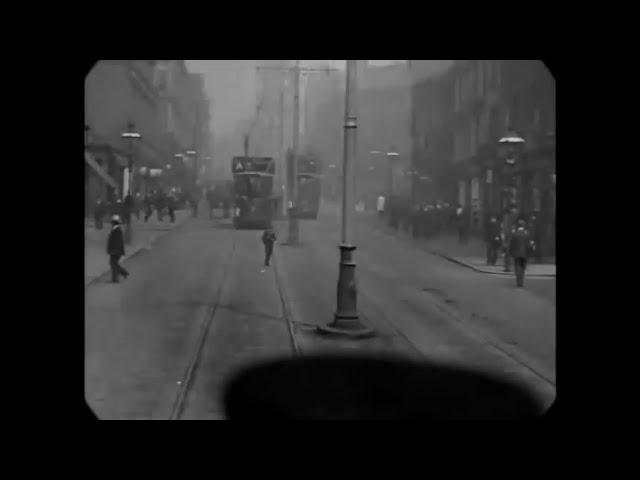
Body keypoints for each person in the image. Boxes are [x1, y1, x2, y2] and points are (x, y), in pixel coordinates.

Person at [509, 218, 535, 288]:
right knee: (523, 268)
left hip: (516, 254)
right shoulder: (527, 234)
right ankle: (521, 282)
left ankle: (518, 282)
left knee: (517, 267)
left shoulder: (515, 234)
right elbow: (529, 245)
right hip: (524, 254)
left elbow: (511, 244)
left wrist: (511, 252)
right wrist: (530, 253)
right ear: (524, 226)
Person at [107, 215, 129, 283]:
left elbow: (118, 242)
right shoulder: (115, 229)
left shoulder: (117, 231)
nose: (111, 224)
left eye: (112, 222)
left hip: (115, 251)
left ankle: (116, 278)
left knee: (113, 264)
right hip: (115, 250)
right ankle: (123, 273)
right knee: (114, 264)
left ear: (114, 223)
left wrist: (117, 251)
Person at [501, 206, 518, 272]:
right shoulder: (510, 217)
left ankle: (508, 267)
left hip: (509, 237)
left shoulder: (508, 217)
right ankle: (509, 267)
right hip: (510, 237)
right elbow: (506, 228)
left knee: (507, 252)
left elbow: (505, 228)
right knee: (508, 252)